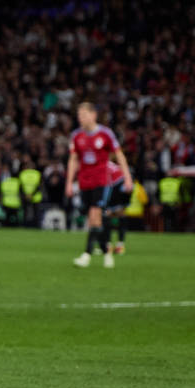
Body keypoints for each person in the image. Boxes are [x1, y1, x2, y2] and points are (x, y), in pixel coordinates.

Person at [64, 101, 133, 268]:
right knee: (94, 218)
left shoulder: (105, 134)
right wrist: (69, 182)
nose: (80, 118)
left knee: (95, 214)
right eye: (79, 115)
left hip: (101, 180)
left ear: (93, 115)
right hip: (84, 180)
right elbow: (73, 160)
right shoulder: (76, 136)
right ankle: (106, 250)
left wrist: (127, 177)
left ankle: (86, 254)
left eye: (83, 115)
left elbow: (119, 155)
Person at [103, 161, 132, 254]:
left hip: (116, 186)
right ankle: (120, 246)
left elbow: (106, 183)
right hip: (126, 184)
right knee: (120, 215)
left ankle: (108, 246)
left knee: (108, 215)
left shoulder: (103, 164)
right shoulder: (112, 165)